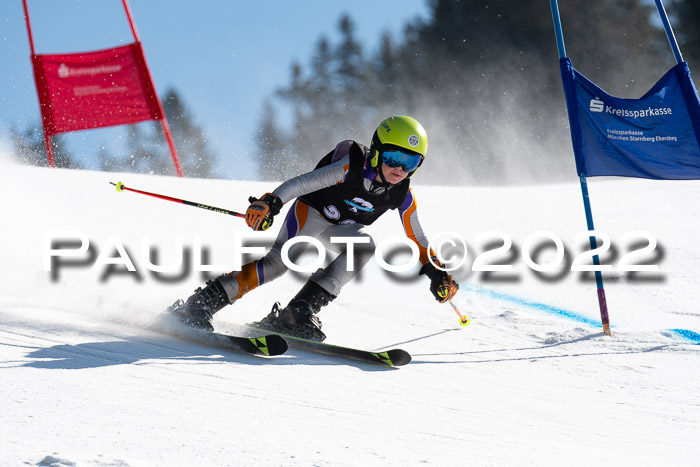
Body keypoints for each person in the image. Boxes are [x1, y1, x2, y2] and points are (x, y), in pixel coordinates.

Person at [167, 115, 459, 341]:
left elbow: (417, 237)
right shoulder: (352, 166)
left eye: (411, 162)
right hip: (311, 213)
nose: (400, 169)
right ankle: (200, 304)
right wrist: (271, 203)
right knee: (277, 264)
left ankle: (297, 313)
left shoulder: (402, 194)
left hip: (340, 228)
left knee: (365, 245)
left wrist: (437, 272)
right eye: (395, 158)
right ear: (378, 151)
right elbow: (302, 183)